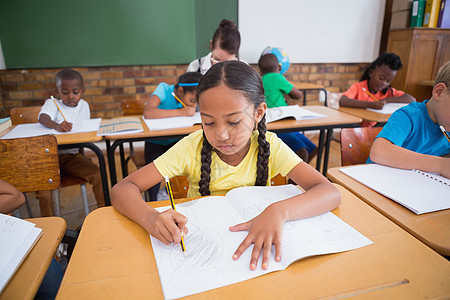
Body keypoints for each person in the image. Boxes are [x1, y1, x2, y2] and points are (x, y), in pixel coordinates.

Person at [111, 61, 341, 270]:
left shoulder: (269, 146)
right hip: (203, 254)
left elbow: (329, 192)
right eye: (208, 122)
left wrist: (278, 211)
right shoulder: (192, 147)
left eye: (233, 122)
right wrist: (150, 218)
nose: (221, 135)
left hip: (253, 257)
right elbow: (123, 188)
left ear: (258, 113)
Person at [37, 69, 104, 216]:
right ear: (57, 92)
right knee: (44, 193)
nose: (71, 96)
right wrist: (56, 125)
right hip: (48, 158)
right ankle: (50, 227)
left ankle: (105, 211)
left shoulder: (84, 105)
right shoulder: (52, 103)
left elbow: (83, 133)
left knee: (98, 174)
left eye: (75, 92)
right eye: (65, 92)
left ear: (83, 91)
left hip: (71, 157)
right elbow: (43, 117)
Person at [369, 61, 450, 179]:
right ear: (439, 92)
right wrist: (440, 165)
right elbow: (379, 151)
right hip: (376, 183)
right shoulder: (409, 116)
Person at [143, 72, 202, 200]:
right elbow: (148, 112)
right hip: (156, 143)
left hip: (177, 142)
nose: (194, 105)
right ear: (180, 90)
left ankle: (174, 195)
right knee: (153, 175)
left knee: (187, 168)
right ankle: (152, 200)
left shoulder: (191, 101)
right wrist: (180, 112)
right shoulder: (163, 89)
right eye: (192, 101)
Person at [258, 53, 316, 162]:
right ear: (279, 68)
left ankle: (297, 177)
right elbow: (298, 95)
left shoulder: (259, 80)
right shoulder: (278, 77)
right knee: (304, 152)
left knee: (310, 149)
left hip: (270, 124)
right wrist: (287, 92)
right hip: (282, 125)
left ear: (261, 71)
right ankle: (297, 177)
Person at [339, 53, 415, 125]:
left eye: (388, 81)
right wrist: (370, 105)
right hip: (355, 128)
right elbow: (343, 101)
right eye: (381, 78)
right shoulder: (359, 87)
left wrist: (386, 100)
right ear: (371, 72)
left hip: (376, 130)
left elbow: (411, 99)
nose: (384, 83)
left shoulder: (388, 91)